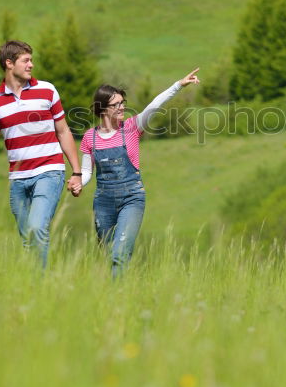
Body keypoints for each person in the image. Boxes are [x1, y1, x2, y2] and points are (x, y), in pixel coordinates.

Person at [71, 68, 201, 276]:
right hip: (103, 202)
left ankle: (118, 295)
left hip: (132, 198)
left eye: (123, 103)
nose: (122, 107)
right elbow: (87, 171)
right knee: (107, 253)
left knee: (120, 253)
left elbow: (155, 104)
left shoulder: (132, 127)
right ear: (103, 109)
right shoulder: (90, 138)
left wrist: (179, 84)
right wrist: (79, 182)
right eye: (116, 104)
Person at [0, 40, 82, 267]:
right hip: (18, 178)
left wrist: (76, 171)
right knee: (27, 238)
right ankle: (35, 285)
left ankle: (41, 283)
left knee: (37, 227)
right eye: (26, 60)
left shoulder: (47, 90)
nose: (31, 65)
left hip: (49, 171)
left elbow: (63, 131)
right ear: (9, 63)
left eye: (31, 60)